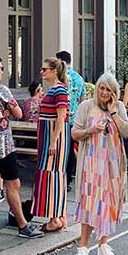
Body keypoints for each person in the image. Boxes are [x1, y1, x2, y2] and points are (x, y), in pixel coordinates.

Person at [0, 56, 43, 239]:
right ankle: (23, 225)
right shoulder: (0, 89)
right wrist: (5, 112)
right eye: (2, 68)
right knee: (13, 183)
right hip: (3, 143)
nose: (3, 71)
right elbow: (18, 113)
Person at [71, 73, 128, 255]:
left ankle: (103, 244)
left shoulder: (119, 107)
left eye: (109, 90)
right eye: (102, 88)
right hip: (91, 162)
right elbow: (74, 133)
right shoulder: (86, 106)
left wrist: (113, 112)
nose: (104, 92)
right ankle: (83, 246)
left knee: (110, 201)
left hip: (113, 164)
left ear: (115, 93)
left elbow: (127, 132)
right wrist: (90, 131)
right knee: (90, 202)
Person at [33, 57, 71, 233]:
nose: (42, 72)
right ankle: (60, 215)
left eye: (44, 69)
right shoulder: (55, 90)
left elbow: (61, 116)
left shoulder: (59, 90)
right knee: (53, 174)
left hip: (53, 137)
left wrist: (53, 141)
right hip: (49, 136)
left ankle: (55, 218)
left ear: (54, 71)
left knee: (51, 174)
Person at [55, 50, 84, 185]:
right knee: (71, 149)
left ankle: (61, 177)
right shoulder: (79, 78)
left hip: (61, 119)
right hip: (75, 119)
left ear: (61, 61)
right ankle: (69, 176)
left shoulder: (60, 78)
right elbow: (83, 100)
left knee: (61, 148)